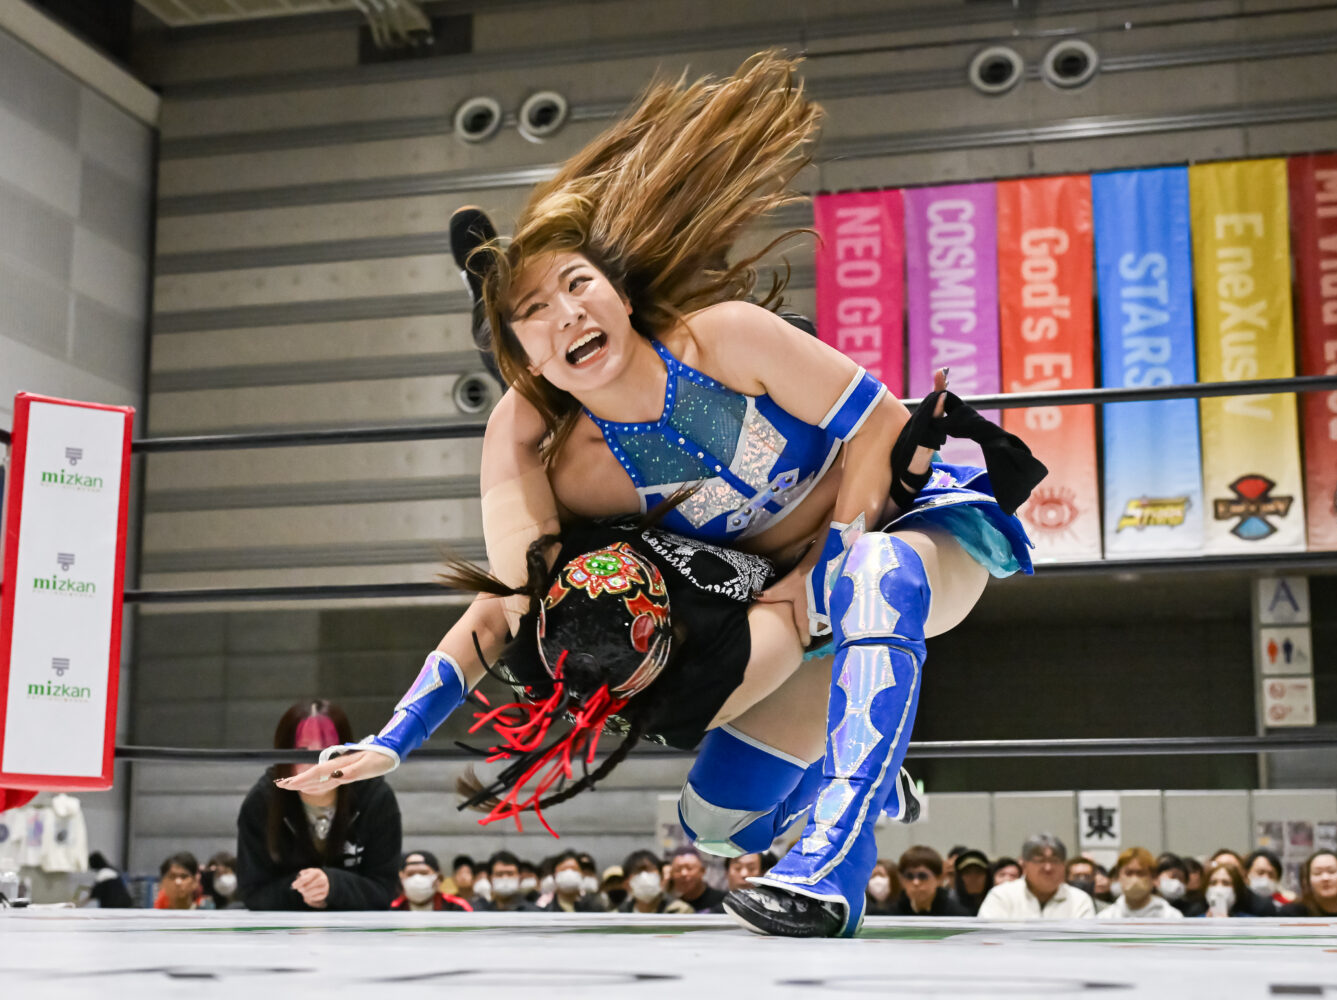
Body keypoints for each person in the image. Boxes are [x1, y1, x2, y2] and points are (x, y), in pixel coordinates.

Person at [275, 52, 1045, 941]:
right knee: (717, 824)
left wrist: (825, 568)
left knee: (873, 572)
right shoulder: (581, 475)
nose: (568, 312)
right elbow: (513, 605)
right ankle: (867, 771)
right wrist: (393, 738)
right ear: (522, 361)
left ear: (617, 293)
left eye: (577, 285)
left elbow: (879, 428)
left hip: (906, 536)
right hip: (789, 618)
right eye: (534, 311)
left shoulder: (727, 340)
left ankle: (832, 869)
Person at [237, 700, 400, 911]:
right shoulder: (262, 801)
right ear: (283, 754)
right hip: (287, 927)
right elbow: (253, 892)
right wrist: (304, 889)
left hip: (356, 927)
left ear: (348, 752)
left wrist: (334, 886)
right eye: (302, 751)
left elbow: (384, 890)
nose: (316, 765)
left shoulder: (375, 797)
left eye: (329, 752)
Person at [977, 834, 1095, 920]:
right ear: (1024, 865)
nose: (1048, 867)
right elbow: (989, 939)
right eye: (1040, 860)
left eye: (1055, 860)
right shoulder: (1001, 896)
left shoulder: (1080, 900)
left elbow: (1085, 943)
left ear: (1064, 865)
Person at [1097, 848, 1182, 920]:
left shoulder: (1171, 916)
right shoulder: (1106, 917)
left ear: (1153, 878)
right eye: (1128, 873)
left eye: (1141, 873)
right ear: (1118, 877)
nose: (1134, 879)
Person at [1278, 850, 1337, 917]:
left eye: (1332, 872)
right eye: (1317, 873)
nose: (1325, 878)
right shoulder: (1291, 914)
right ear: (1308, 882)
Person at [893, 846, 968, 916]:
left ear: (939, 879)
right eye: (910, 876)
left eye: (922, 876)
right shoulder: (893, 911)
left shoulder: (957, 912)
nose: (915, 882)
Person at [391, 851, 472, 912]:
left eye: (423, 873)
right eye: (411, 874)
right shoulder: (393, 909)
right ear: (401, 878)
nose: (417, 878)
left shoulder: (456, 907)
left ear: (438, 878)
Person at [617, 850, 693, 914]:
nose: (644, 876)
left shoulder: (680, 911)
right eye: (637, 871)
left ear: (661, 875)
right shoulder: (619, 915)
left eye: (649, 869)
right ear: (627, 882)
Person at [1202, 861, 1274, 917]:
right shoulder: (1197, 921)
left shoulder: (1249, 923)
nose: (1218, 888)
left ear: (1236, 888)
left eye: (1226, 883)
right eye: (1213, 883)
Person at [669, 846, 726, 913]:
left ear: (702, 870)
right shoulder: (671, 906)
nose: (683, 874)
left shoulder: (724, 902)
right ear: (671, 874)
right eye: (678, 869)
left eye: (689, 868)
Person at [1154, 852, 1204, 917]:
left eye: (1181, 879)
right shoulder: (1144, 902)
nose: (1177, 882)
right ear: (1155, 876)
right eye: (1173, 876)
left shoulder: (1190, 909)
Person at [951, 849, 993, 916]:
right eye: (967, 872)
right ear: (959, 877)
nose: (973, 877)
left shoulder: (996, 903)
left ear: (987, 876)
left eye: (978, 872)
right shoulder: (949, 905)